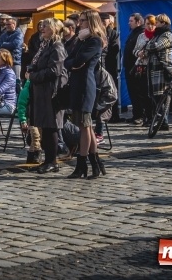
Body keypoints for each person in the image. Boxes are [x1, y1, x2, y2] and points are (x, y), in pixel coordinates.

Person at [65, 10, 107, 179]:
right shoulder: (81, 40)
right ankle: (95, 163)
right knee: (85, 126)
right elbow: (69, 61)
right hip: (76, 84)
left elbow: (78, 61)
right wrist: (73, 63)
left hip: (85, 86)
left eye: (82, 21)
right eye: (79, 20)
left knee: (84, 126)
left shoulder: (95, 40)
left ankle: (82, 163)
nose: (79, 23)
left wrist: (74, 63)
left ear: (90, 22)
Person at [27, 18, 67, 174]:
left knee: (51, 127)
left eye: (45, 26)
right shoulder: (44, 46)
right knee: (44, 126)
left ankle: (52, 161)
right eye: (41, 26)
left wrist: (34, 76)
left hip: (51, 92)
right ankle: (47, 160)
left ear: (54, 29)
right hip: (40, 91)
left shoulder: (57, 47)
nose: (42, 28)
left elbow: (54, 71)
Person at [123, 14, 145, 124]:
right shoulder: (133, 33)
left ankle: (140, 116)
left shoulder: (141, 33)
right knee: (132, 92)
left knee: (138, 92)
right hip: (129, 68)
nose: (129, 23)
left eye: (131, 21)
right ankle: (136, 114)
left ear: (138, 22)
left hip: (136, 67)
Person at [100, 13, 121, 122]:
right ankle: (101, 114)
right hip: (99, 66)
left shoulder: (113, 33)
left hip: (110, 65)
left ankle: (114, 115)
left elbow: (115, 49)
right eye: (101, 19)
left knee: (112, 90)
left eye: (105, 20)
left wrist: (105, 53)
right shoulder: (97, 32)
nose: (103, 21)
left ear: (109, 21)